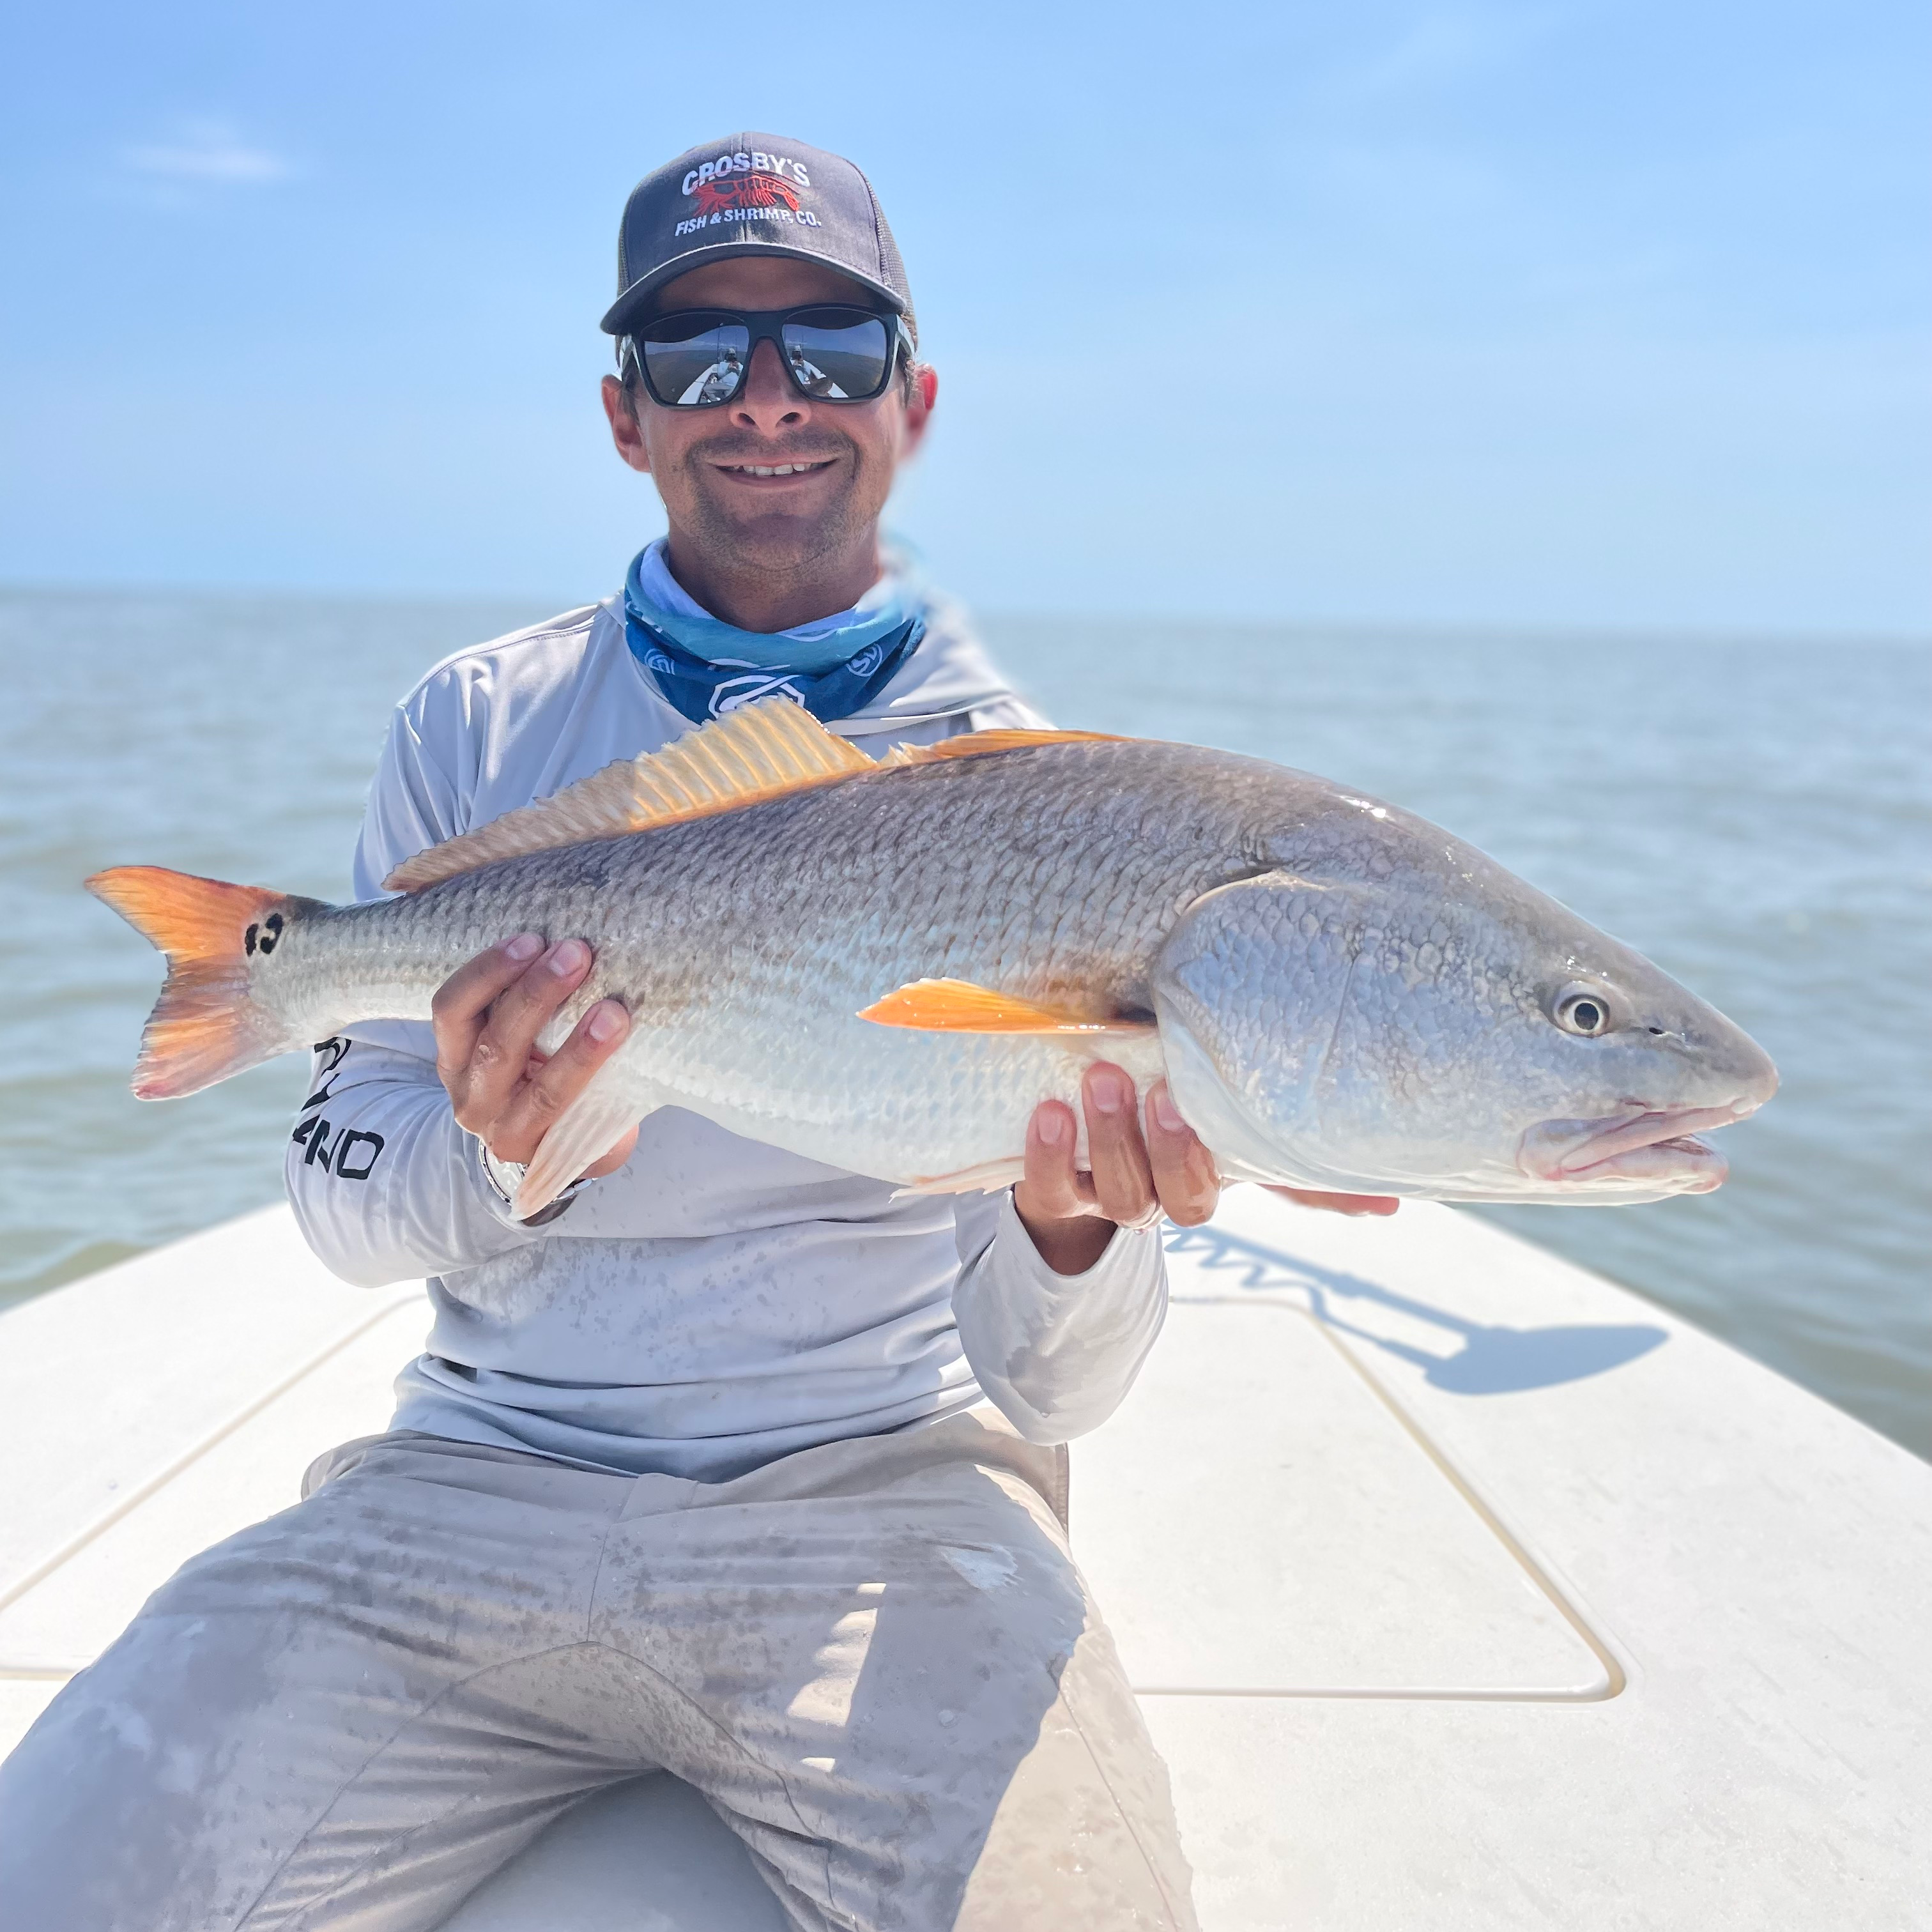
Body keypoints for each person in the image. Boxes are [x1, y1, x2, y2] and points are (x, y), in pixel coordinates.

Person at [0, 134, 1392, 1931]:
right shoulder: (477, 726)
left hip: (892, 1506)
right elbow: (343, 1206)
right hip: (472, 1480)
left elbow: (1058, 1392)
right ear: (621, 414)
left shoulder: (1053, 800)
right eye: (694, 357)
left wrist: (1074, 1223)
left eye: (826, 346)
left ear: (916, 399)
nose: (764, 401)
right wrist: (499, 1157)